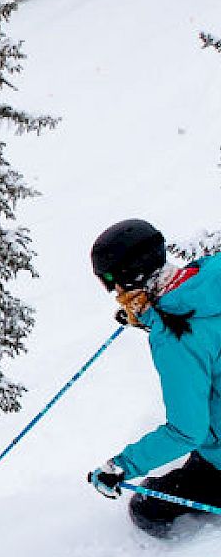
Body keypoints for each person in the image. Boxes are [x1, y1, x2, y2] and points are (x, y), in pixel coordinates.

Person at [86, 218, 221, 537]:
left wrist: (122, 467)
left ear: (130, 277)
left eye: (110, 281)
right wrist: (152, 312)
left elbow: (187, 430)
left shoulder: (176, 334)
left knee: (149, 505)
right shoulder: (208, 277)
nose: (114, 291)